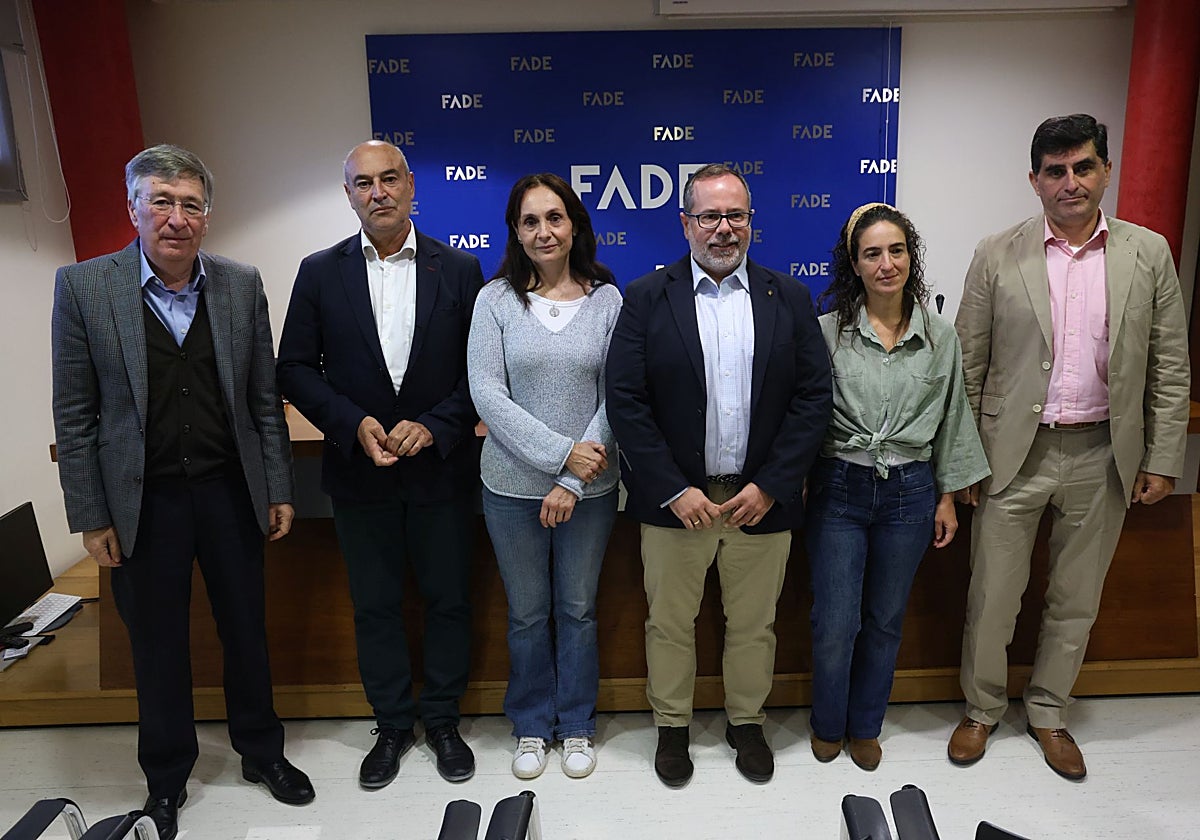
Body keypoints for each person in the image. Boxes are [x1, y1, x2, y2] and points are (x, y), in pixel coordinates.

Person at [50, 145, 313, 840]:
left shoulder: (239, 284)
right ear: (132, 209)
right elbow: (73, 412)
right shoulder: (83, 287)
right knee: (157, 644)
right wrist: (91, 514)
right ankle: (166, 777)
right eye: (161, 202)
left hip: (229, 492)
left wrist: (277, 487)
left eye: (190, 204)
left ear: (207, 216)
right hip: (143, 503)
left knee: (246, 631)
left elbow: (263, 400)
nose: (176, 218)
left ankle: (262, 753)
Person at [950, 114, 1190, 780]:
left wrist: (1162, 457)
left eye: (1083, 167)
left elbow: (1170, 365)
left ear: (1106, 170)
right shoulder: (996, 253)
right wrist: (962, 462)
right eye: (1055, 171)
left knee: (1076, 599)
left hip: (1103, 455)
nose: (1070, 182)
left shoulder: (1148, 253)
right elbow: (967, 365)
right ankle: (981, 709)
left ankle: (1049, 710)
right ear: (1034, 181)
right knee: (992, 596)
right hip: (1010, 456)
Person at [606, 163, 832, 787]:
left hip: (761, 501)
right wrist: (673, 490)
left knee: (755, 625)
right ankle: (672, 726)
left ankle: (747, 723)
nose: (724, 228)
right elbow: (626, 400)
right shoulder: (646, 297)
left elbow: (813, 398)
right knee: (669, 624)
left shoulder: (789, 297)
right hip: (678, 504)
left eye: (736, 215)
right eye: (710, 216)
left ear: (751, 222)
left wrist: (773, 485)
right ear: (686, 224)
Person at [276, 141, 484, 787]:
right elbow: (293, 369)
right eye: (363, 183)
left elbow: (482, 372)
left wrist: (435, 426)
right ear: (349, 195)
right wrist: (351, 423)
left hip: (441, 469)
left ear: (411, 185)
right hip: (358, 471)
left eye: (389, 179)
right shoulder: (319, 271)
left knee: (449, 601)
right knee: (375, 605)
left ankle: (442, 721)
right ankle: (392, 725)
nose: (378, 192)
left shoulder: (460, 269)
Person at [805, 203, 989, 772]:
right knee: (836, 621)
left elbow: (953, 415)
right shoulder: (827, 334)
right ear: (854, 265)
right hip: (840, 484)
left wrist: (947, 497)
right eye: (872, 254)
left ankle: (866, 726)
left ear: (911, 257)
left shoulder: (940, 336)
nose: (887, 264)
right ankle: (827, 723)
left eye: (897, 251)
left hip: (910, 490)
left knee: (885, 620)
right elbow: (804, 417)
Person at [467, 173, 622, 780]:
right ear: (516, 231)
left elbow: (615, 398)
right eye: (529, 221)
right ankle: (532, 724)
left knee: (578, 611)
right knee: (528, 615)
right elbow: (488, 394)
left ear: (574, 225)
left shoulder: (607, 301)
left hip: (590, 493)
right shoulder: (495, 301)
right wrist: (562, 456)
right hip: (510, 490)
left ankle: (576, 724)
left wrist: (573, 481)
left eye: (554, 218)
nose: (544, 231)